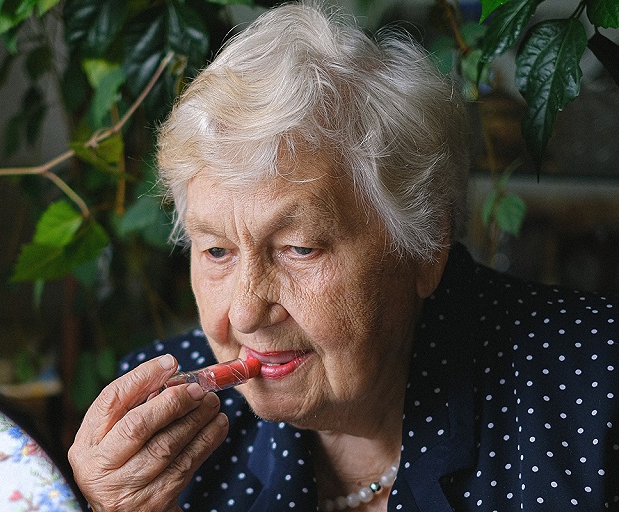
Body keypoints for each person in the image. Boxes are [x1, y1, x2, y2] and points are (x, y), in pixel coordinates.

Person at [67, 2, 619, 511]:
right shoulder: (158, 435)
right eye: (216, 250)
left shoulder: (595, 392)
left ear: (426, 244)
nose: (243, 314)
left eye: (298, 248)